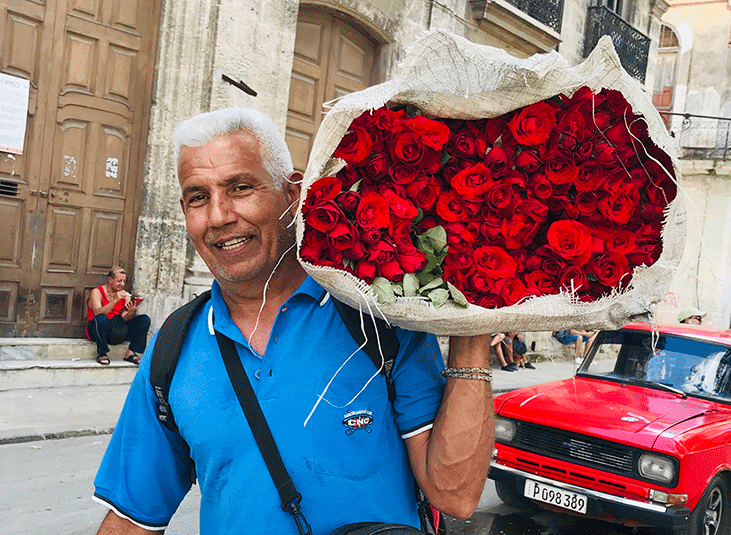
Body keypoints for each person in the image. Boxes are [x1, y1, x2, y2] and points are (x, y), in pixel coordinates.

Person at [92, 108, 493, 534]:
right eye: (198, 197)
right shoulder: (174, 346)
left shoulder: (376, 320)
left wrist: (475, 326)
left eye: (241, 187)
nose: (219, 216)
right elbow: (130, 519)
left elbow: (456, 495)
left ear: (292, 192)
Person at [86, 267, 150, 366]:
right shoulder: (97, 292)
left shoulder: (125, 295)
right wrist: (115, 300)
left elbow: (125, 318)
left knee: (144, 320)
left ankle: (131, 353)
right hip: (98, 330)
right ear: (110, 280)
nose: (122, 284)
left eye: (124, 281)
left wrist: (130, 312)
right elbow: (98, 313)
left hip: (116, 330)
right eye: (119, 281)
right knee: (101, 318)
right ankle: (102, 353)